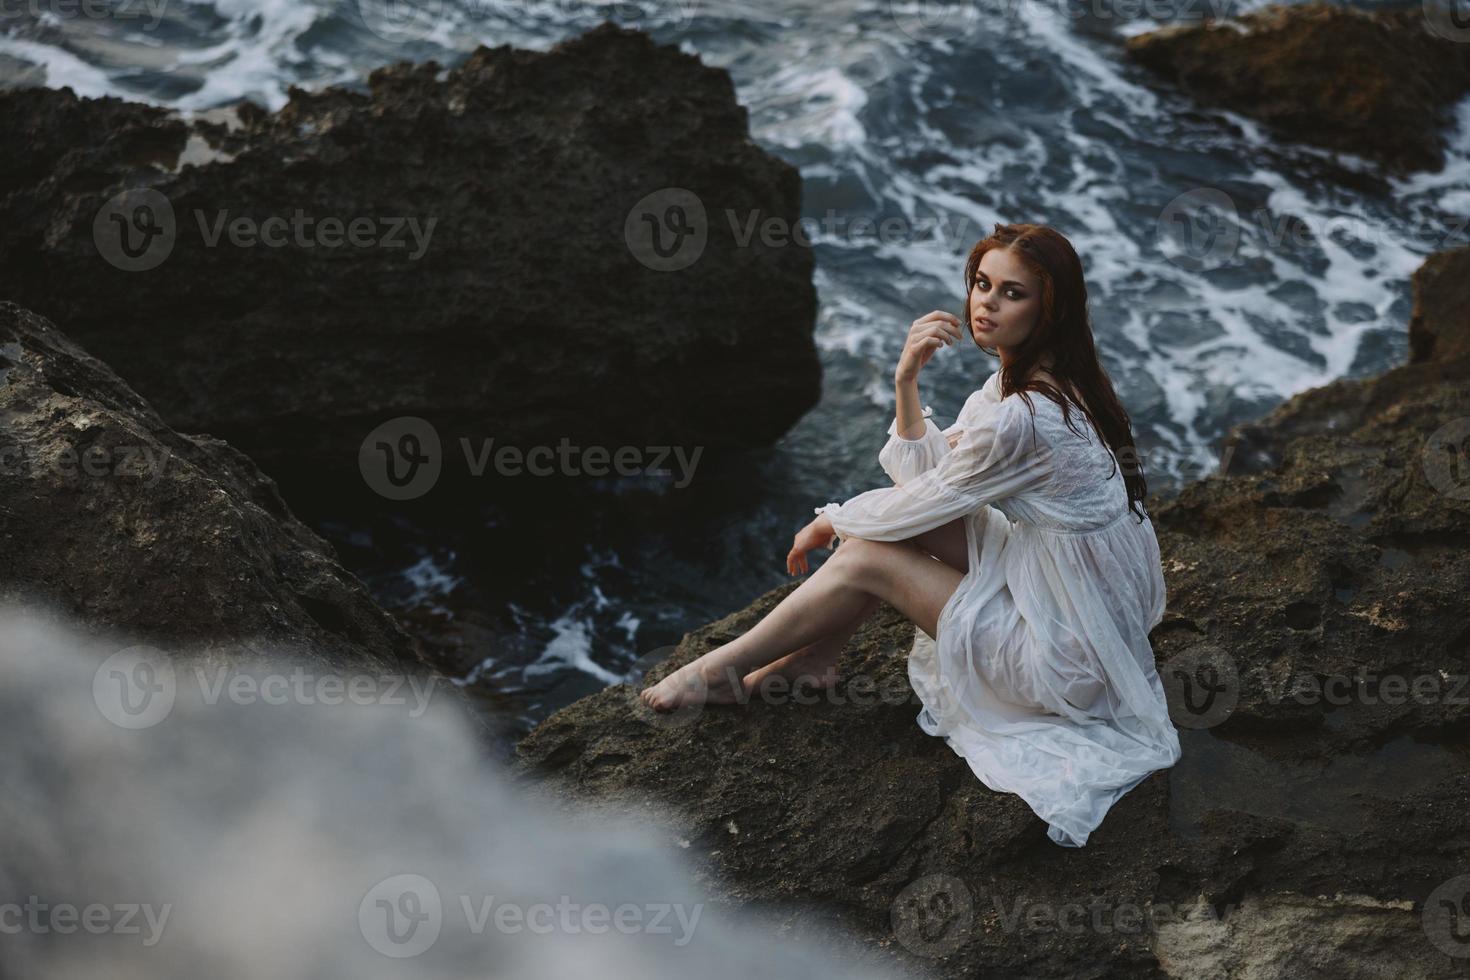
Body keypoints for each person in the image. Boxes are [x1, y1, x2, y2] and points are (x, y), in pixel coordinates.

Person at [639, 222, 1181, 847]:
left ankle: (719, 672)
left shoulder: (1023, 418)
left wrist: (832, 518)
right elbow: (933, 484)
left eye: (1013, 293)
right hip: (1069, 607)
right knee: (873, 529)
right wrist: (906, 383)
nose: (986, 304)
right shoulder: (1047, 383)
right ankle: (812, 660)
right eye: (982, 285)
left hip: (1064, 664)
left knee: (867, 549)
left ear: (1050, 309)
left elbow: (915, 506)